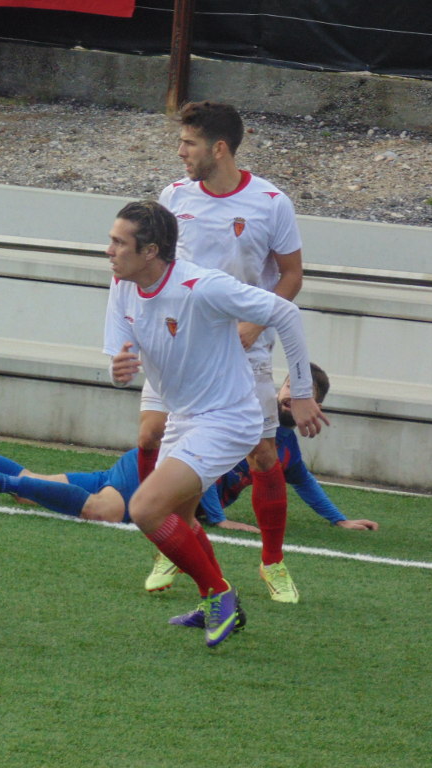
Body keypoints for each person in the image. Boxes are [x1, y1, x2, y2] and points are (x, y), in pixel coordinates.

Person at [103, 200, 327, 648]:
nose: (109, 251)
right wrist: (118, 368)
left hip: (228, 418)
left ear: (150, 252)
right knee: (179, 519)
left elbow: (286, 313)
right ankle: (219, 601)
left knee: (145, 509)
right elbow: (119, 350)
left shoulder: (202, 285)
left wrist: (302, 392)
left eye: (119, 243)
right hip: (184, 417)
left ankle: (219, 595)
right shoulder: (123, 284)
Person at [138, 101, 308, 604]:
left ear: (218, 148)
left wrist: (255, 324)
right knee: (151, 434)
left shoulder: (271, 202)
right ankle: (173, 541)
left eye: (188, 143)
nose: (180, 151)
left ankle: (272, 563)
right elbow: (157, 268)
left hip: (242, 346)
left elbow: (292, 275)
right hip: (179, 343)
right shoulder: (173, 196)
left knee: (262, 453)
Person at [147, 364, 379, 592]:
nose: (292, 394)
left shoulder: (287, 447)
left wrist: (339, 519)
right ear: (278, 390)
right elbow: (198, 461)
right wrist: (219, 519)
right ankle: (175, 551)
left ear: (315, 407)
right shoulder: (244, 422)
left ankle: (246, 568)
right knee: (137, 505)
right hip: (152, 484)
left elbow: (303, 481)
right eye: (289, 386)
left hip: (187, 508)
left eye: (303, 392)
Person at [0, 425, 248, 526]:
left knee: (31, 487)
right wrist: (220, 520)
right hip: (149, 469)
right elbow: (201, 465)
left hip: (140, 467)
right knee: (104, 510)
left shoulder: (272, 450)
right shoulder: (253, 440)